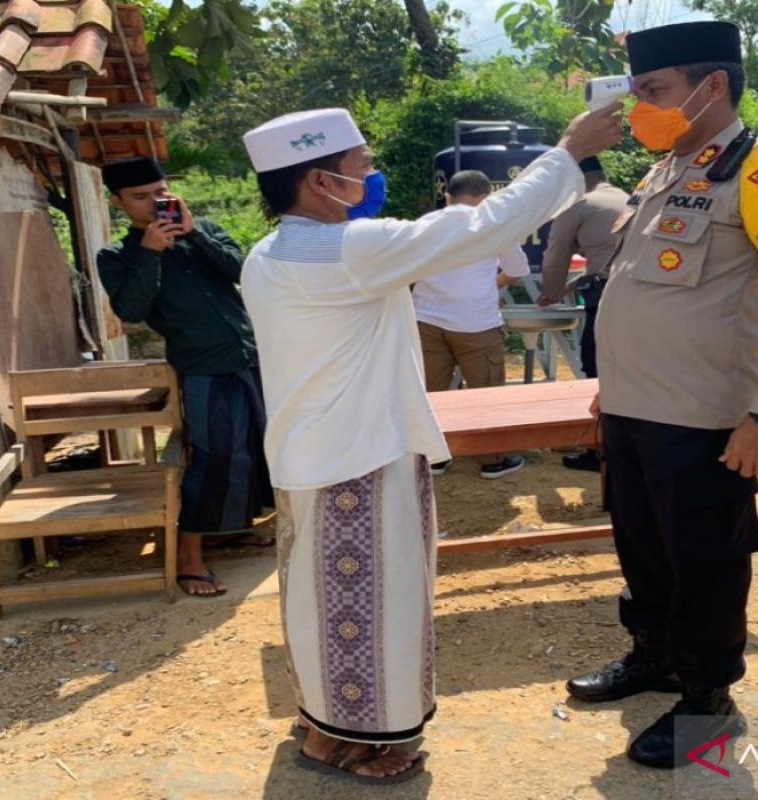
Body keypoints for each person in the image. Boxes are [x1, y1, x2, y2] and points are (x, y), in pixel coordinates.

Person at [240, 106, 620, 782]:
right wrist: (566, 152)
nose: (371, 174)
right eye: (359, 165)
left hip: (307, 453)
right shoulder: (347, 250)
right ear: (320, 181)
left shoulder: (268, 255)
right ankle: (376, 740)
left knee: (316, 602)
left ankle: (323, 730)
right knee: (379, 606)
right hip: (362, 454)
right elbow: (481, 228)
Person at [566, 21, 758, 769]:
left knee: (706, 562)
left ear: (710, 86)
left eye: (654, 91)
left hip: (702, 419)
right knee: (643, 549)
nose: (639, 110)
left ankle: (708, 700)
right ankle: (653, 655)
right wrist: (609, 390)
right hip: (633, 409)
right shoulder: (667, 170)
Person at [96, 157, 273, 598]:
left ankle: (231, 529)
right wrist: (151, 253)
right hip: (202, 367)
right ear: (118, 203)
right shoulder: (117, 256)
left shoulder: (204, 231)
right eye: (141, 196)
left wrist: (193, 232)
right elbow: (132, 311)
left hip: (252, 356)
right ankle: (189, 557)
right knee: (215, 458)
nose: (156, 202)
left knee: (257, 447)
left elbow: (244, 273)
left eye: (161, 191)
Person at [414, 169, 529, 480]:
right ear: (485, 196)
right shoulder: (493, 222)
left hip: (426, 318)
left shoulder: (425, 223)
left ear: (447, 196)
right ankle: (492, 459)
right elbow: (518, 269)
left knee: (430, 390)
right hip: (475, 322)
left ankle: (434, 458)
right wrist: (493, 283)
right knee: (486, 390)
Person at [538, 155, 630, 472]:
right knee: (631, 370)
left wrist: (550, 291)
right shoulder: (628, 197)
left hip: (606, 298)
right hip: (639, 295)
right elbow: (610, 259)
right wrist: (572, 285)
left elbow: (556, 253)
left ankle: (600, 451)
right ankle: (629, 445)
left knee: (596, 368)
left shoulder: (578, 204)